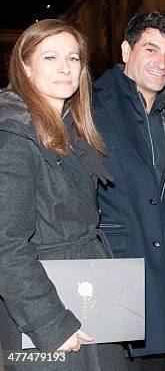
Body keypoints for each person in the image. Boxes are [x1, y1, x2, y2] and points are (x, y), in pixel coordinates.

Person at [0, 19, 128, 370]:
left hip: (84, 286)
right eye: (50, 57)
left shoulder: (70, 129)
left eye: (73, 59)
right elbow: (6, 246)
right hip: (48, 300)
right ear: (25, 67)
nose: (65, 67)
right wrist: (50, 323)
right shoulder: (14, 135)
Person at [92, 12, 165, 370]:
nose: (161, 63)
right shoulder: (91, 103)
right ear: (126, 50)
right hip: (113, 262)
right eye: (150, 49)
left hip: (160, 261)